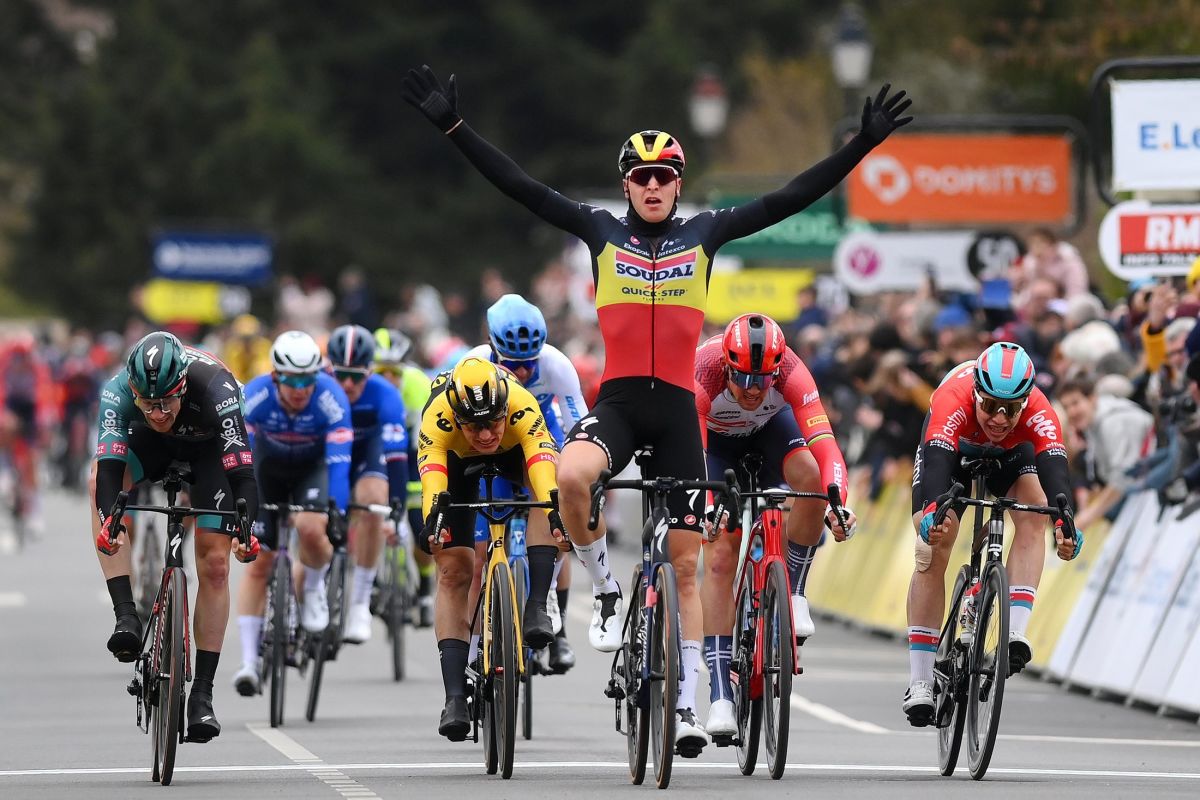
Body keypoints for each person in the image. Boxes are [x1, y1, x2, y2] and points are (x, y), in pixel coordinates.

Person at [402, 64, 911, 755]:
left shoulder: (705, 232)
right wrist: (455, 128)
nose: (651, 186)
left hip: (677, 411)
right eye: (639, 176)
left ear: (677, 183)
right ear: (625, 185)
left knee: (687, 564)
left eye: (663, 176)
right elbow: (520, 186)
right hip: (618, 403)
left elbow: (791, 196)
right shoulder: (598, 231)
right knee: (571, 475)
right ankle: (605, 590)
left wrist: (862, 146)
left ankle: (692, 707)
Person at [90, 332, 260, 743]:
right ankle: (126, 616)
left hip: (210, 449)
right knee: (98, 482)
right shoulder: (117, 391)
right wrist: (110, 522)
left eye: (166, 400)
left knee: (215, 564)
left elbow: (242, 475)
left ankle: (202, 694)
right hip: (149, 446)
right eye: (148, 403)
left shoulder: (217, 389)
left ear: (182, 385)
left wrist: (246, 530)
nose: (158, 411)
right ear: (134, 391)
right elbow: (110, 470)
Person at [694, 314, 857, 737]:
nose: (752, 390)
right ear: (727, 367)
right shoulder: (704, 371)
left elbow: (826, 446)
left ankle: (794, 591)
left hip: (770, 433)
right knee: (720, 558)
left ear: (776, 370)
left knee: (811, 478)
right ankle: (720, 695)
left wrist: (838, 501)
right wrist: (709, 506)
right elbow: (691, 451)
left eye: (762, 380)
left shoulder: (792, 372)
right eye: (742, 379)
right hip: (716, 449)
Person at [904, 342, 1082, 726]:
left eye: (1011, 409)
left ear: (1026, 402)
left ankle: (1013, 632)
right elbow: (937, 462)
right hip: (953, 452)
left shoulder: (1040, 410)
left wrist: (1065, 521)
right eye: (989, 406)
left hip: (1010, 455)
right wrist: (933, 512)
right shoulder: (953, 396)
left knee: (1035, 511)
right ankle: (920, 680)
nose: (999, 418)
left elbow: (1055, 469)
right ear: (976, 394)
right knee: (933, 546)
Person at [416, 357, 565, 741]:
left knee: (552, 495)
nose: (484, 434)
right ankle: (454, 697)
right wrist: (433, 521)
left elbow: (544, 471)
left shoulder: (520, 403)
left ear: (504, 408)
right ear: (457, 417)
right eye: (474, 425)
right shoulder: (438, 417)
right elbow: (434, 484)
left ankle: (536, 606)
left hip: (515, 453)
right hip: (456, 461)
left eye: (493, 422)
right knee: (453, 572)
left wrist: (555, 511)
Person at [463, 293, 590, 674]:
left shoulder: (556, 364)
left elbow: (579, 427)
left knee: (558, 519)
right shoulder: (473, 364)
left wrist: (581, 473)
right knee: (478, 557)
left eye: (528, 363)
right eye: (512, 364)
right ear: (493, 349)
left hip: (541, 436)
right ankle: (472, 651)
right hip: (493, 443)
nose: (521, 372)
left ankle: (554, 615)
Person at [231, 331, 353, 695]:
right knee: (258, 561)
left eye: (307, 379)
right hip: (266, 471)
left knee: (312, 528)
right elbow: (242, 460)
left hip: (310, 471)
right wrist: (241, 510)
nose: (301, 389)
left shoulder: (331, 398)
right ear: (275, 376)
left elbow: (339, 463)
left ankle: (312, 589)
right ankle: (249, 663)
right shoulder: (255, 396)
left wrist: (337, 509)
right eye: (291, 380)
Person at [325, 324, 409, 644]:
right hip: (327, 454)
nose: (348, 384)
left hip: (366, 453)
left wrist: (395, 510)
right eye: (341, 375)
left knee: (373, 503)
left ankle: (360, 602)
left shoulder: (385, 394)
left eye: (356, 376)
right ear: (330, 370)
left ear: (370, 372)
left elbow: (397, 456)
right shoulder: (318, 388)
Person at [373, 326, 437, 627]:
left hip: (413, 453)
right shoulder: (365, 389)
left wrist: (418, 486)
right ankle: (373, 579)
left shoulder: (418, 385)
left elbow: (426, 444)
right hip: (378, 452)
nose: (389, 378)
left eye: (394, 372)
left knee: (419, 525)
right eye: (381, 371)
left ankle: (424, 591)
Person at [1057, 375, 1155, 530]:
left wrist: (1088, 516)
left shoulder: (1111, 422)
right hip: (1143, 482)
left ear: (1092, 399)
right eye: (1066, 407)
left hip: (1151, 483)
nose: (1071, 412)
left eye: (1075, 403)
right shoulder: (1092, 423)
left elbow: (1122, 478)